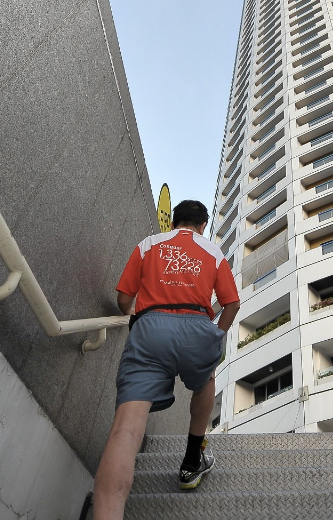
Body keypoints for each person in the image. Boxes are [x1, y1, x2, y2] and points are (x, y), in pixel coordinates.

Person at [93, 200, 240, 520]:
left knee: (126, 429)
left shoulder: (148, 244)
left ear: (174, 222)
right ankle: (191, 461)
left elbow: (123, 299)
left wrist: (141, 317)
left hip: (150, 329)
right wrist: (216, 335)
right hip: (198, 328)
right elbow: (232, 303)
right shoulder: (213, 252)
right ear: (203, 225)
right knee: (205, 381)